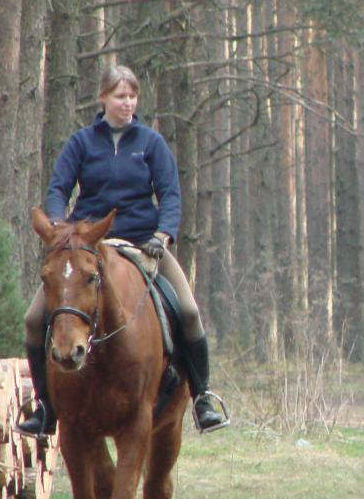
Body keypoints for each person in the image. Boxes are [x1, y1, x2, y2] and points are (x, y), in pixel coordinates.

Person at [18, 64, 227, 436]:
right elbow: (58, 189)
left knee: (190, 312)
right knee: (34, 319)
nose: (127, 103)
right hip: (86, 247)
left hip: (142, 245)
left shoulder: (151, 143)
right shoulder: (81, 143)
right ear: (103, 99)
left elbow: (170, 195)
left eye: (132, 96)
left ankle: (202, 398)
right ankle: (44, 406)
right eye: (120, 96)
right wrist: (58, 229)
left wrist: (163, 235)